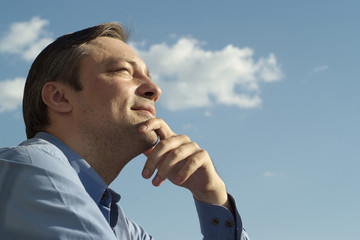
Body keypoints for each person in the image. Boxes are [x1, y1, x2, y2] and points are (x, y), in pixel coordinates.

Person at [0, 22, 249, 240]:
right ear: (59, 97)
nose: (154, 89)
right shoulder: (31, 168)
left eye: (147, 76)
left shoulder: (120, 225)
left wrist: (213, 197)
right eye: (123, 71)